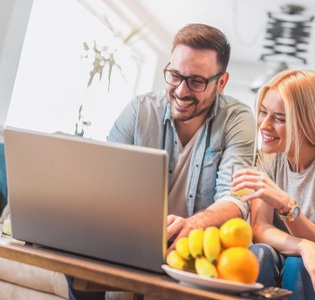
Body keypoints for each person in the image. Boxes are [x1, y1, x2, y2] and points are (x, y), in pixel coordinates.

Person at [66, 23, 256, 299]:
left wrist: (197, 223)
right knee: (76, 247)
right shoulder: (140, 110)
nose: (181, 91)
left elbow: (236, 198)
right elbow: (105, 182)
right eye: (175, 76)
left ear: (221, 83)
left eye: (196, 81)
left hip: (196, 245)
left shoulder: (237, 120)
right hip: (130, 235)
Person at [231, 69, 315, 300]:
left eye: (280, 118)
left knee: (297, 266)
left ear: (308, 122)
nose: (264, 125)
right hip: (283, 262)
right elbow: (260, 229)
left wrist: (286, 204)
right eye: (263, 112)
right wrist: (303, 246)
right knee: (259, 254)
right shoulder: (269, 157)